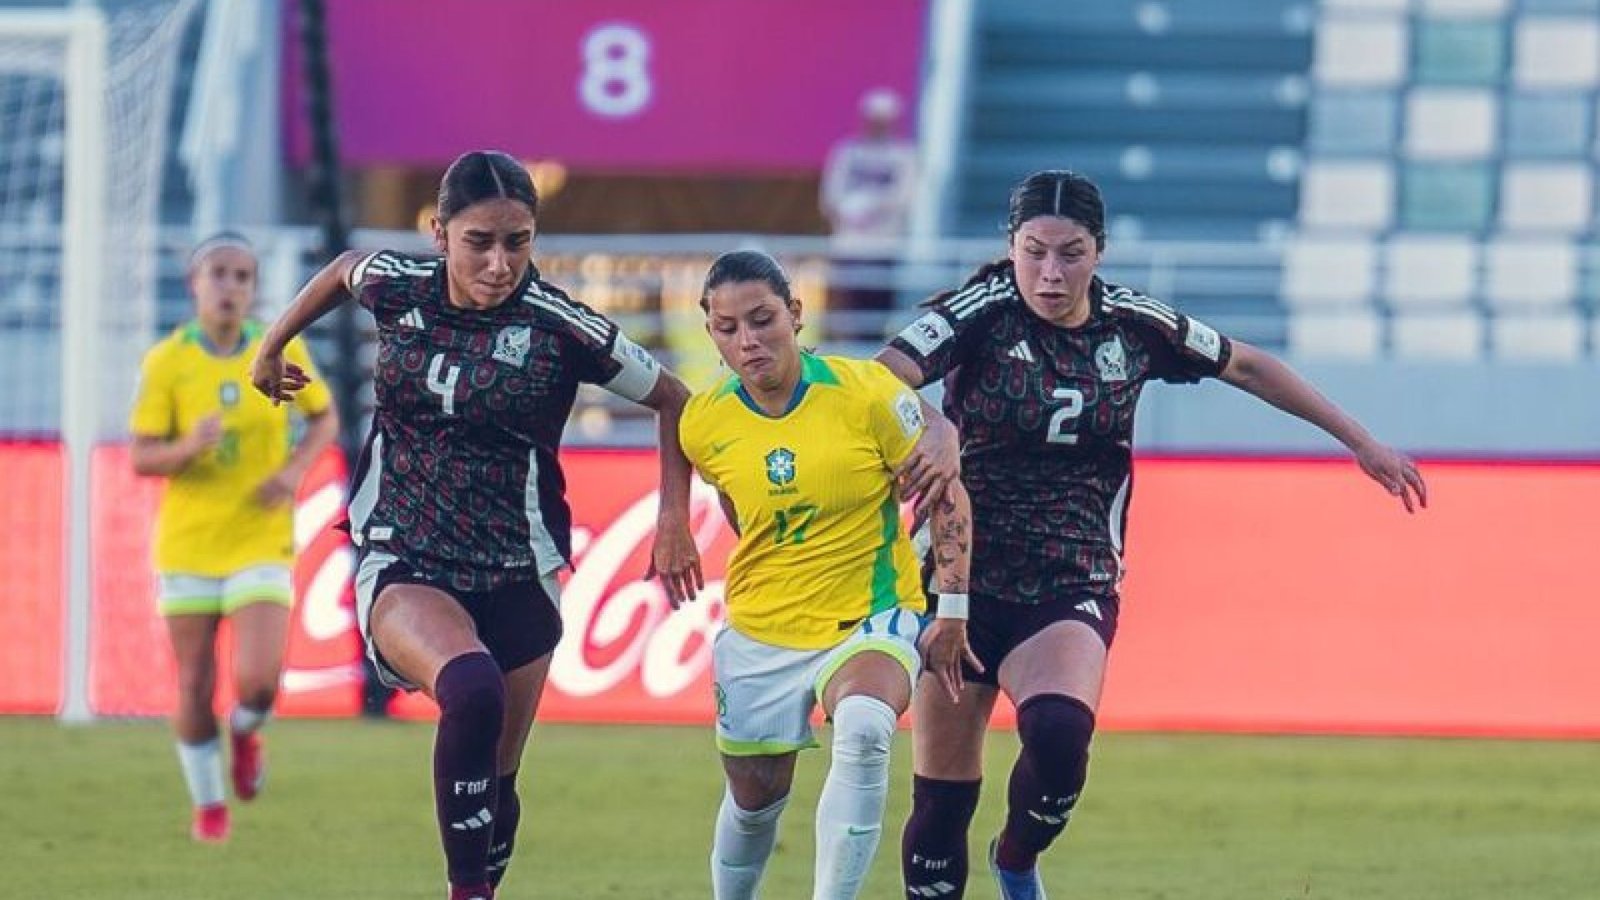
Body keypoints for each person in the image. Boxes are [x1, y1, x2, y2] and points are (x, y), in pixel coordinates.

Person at [880, 170, 1429, 900]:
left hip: (1071, 578)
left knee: (1059, 741)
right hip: (957, 581)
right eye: (1034, 251)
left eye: (1071, 252)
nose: (1050, 272)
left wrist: (1360, 441)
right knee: (940, 808)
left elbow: (1247, 364)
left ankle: (1017, 860)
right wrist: (935, 423)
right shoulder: (981, 309)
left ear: (1099, 251)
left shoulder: (1133, 324)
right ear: (1010, 246)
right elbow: (880, 376)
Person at [250, 150, 702, 900]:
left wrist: (673, 516)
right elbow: (342, 268)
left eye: (518, 242)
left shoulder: (561, 325)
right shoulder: (400, 287)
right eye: (479, 242)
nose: (500, 263)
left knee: (495, 796)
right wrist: (272, 345)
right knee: (473, 689)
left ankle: (482, 872)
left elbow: (675, 398)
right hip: (406, 554)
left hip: (520, 570)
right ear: (439, 232)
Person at [678, 250, 975, 900]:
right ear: (711, 334)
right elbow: (739, 511)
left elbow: (947, 489)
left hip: (872, 614)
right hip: (762, 628)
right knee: (755, 799)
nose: (749, 341)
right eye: (728, 328)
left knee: (867, 729)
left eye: (763, 319)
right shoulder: (704, 422)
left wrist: (951, 611)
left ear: (796, 313)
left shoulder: (864, 393)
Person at [130, 232, 340, 843]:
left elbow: (324, 415)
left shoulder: (277, 349)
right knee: (194, 683)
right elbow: (142, 457)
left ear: (254, 289)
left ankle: (246, 731)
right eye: (218, 274)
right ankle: (209, 806)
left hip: (259, 536)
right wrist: (185, 448)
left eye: (242, 277)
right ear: (194, 284)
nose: (230, 287)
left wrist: (295, 471)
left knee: (257, 680)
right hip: (190, 543)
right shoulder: (167, 361)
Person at [820, 87, 919, 342]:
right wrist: (849, 212)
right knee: (845, 307)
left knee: (878, 309)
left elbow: (904, 198)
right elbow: (830, 196)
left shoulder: (903, 157)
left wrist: (873, 208)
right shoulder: (847, 153)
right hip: (848, 247)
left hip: (884, 247)